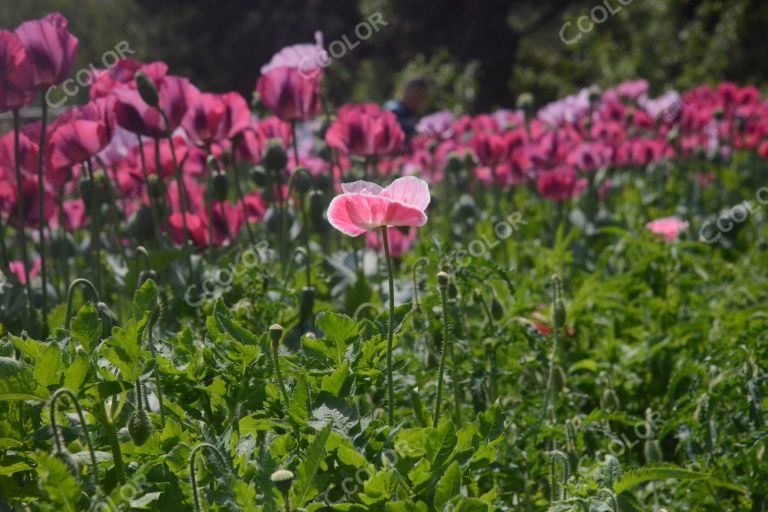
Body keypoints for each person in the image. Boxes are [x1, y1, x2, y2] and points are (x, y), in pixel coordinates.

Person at [384, 76, 430, 144]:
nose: (419, 102)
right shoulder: (393, 111)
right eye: (416, 96)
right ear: (406, 91)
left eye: (423, 98)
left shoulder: (409, 111)